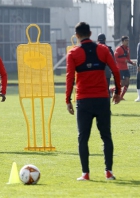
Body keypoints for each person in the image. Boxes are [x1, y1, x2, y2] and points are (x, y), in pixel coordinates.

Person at [66, 22, 121, 181]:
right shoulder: (103, 50)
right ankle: (108, 172)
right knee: (106, 136)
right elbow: (115, 71)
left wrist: (68, 100)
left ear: (77, 35)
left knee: (83, 137)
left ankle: (85, 173)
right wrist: (117, 92)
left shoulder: (73, 53)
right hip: (102, 99)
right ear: (90, 33)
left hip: (83, 101)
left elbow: (70, 77)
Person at [111, 36, 136, 100]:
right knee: (122, 84)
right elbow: (115, 58)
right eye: (126, 41)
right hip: (120, 68)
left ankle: (121, 96)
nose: (127, 42)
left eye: (127, 41)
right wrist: (123, 60)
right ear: (122, 41)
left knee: (127, 83)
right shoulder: (118, 49)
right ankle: (111, 90)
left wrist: (132, 63)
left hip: (126, 68)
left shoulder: (128, 49)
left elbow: (128, 59)